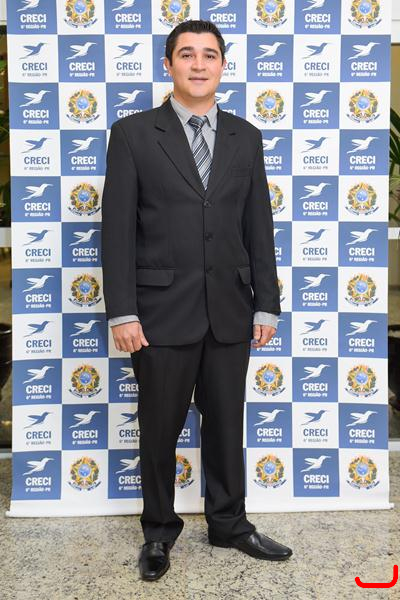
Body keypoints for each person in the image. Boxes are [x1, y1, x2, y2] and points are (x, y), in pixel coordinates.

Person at [101, 19, 292, 582]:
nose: (199, 64)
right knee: (160, 429)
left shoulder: (245, 136)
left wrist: (266, 302)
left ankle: (229, 523)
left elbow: (258, 225)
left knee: (227, 424)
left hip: (231, 309)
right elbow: (116, 231)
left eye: (210, 55)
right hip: (160, 314)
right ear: (169, 65)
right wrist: (123, 311)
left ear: (223, 66)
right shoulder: (133, 134)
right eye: (187, 54)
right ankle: (159, 532)